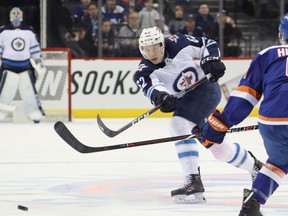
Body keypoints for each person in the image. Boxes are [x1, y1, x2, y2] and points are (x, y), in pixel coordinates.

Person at [133, 27, 262, 203]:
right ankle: (255, 167)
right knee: (215, 145)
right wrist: (161, 97)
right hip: (187, 101)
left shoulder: (178, 43)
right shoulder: (143, 71)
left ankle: (193, 180)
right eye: (146, 49)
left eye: (155, 47)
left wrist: (211, 59)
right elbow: (152, 89)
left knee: (177, 124)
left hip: (205, 89)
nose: (151, 52)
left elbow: (207, 44)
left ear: (162, 44)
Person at [199, 13, 288, 215]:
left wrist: (220, 124)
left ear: (281, 34)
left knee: (279, 161)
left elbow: (245, 97)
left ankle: (252, 203)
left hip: (272, 123)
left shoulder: (268, 54)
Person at [0, 7, 45, 123]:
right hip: (7, 66)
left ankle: (34, 112)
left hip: (25, 65)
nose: (16, 18)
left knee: (29, 90)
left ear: (21, 17)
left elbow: (34, 48)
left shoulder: (29, 31)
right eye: (14, 16)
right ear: (10, 17)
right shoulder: (3, 31)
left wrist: (38, 60)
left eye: (18, 16)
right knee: (4, 91)